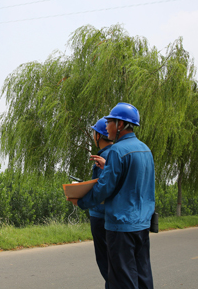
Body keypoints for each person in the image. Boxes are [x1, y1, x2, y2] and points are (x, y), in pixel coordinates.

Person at [68, 102, 155, 289]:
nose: (106, 127)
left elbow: (104, 188)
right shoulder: (145, 150)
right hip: (141, 224)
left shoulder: (117, 151)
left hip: (121, 226)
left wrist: (81, 202)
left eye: (109, 122)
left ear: (120, 125)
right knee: (142, 275)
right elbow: (138, 184)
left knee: (122, 279)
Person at [88, 118, 113, 287]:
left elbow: (100, 187)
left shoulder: (102, 156)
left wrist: (82, 198)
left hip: (99, 215)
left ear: (98, 135)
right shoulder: (116, 153)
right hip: (112, 216)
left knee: (105, 261)